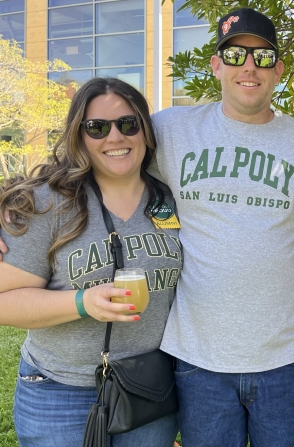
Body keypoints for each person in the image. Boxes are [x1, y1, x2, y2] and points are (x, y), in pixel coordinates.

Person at [147, 7, 294, 447]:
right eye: (236, 56)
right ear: (217, 66)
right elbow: (102, 160)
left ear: (278, 69)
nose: (249, 67)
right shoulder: (170, 131)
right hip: (198, 362)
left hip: (282, 361)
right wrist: (24, 204)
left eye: (262, 56)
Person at [0, 78, 182, 446]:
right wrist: (83, 302)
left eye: (128, 124)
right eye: (97, 128)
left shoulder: (172, 195)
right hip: (59, 391)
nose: (115, 138)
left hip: (148, 387)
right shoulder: (47, 203)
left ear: (145, 130)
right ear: (79, 136)